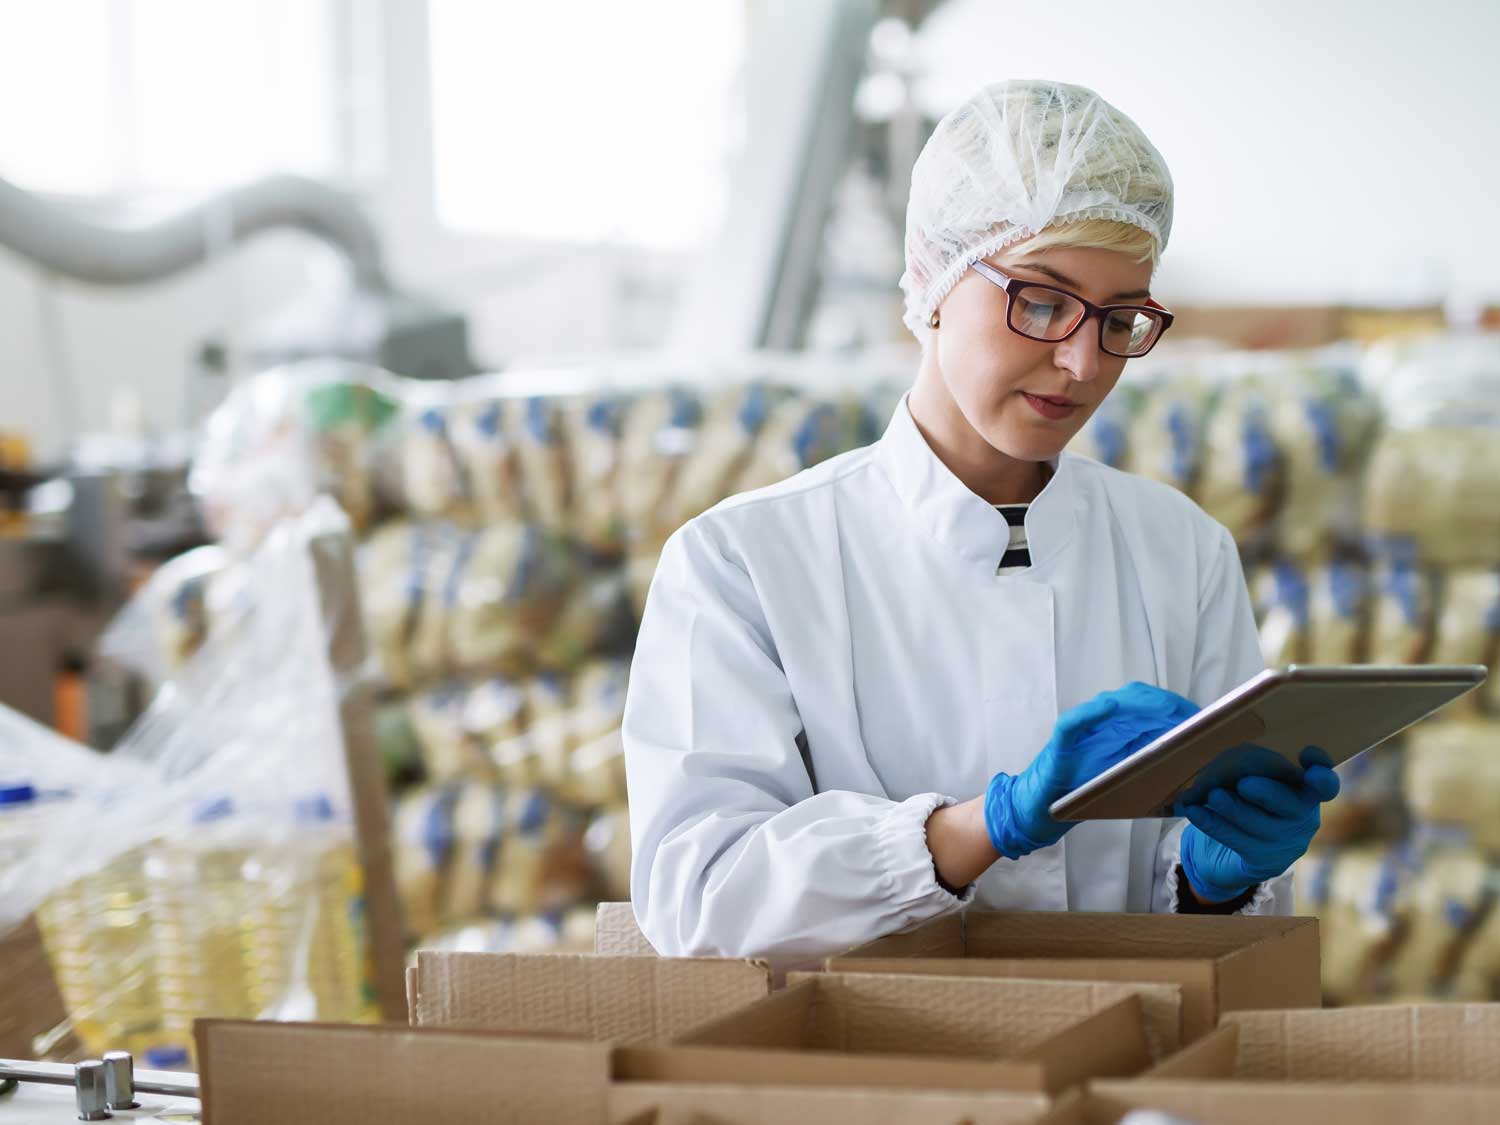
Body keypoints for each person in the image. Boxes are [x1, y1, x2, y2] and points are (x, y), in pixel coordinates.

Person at [622, 79, 1339, 963]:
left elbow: (1212, 940)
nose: (1082, 361)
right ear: (933, 276)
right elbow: (697, 895)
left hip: (1131, 1042)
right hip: (864, 1051)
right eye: (1040, 300)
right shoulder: (744, 561)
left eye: (1121, 318)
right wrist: (980, 828)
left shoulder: (1181, 551)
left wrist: (1213, 882)